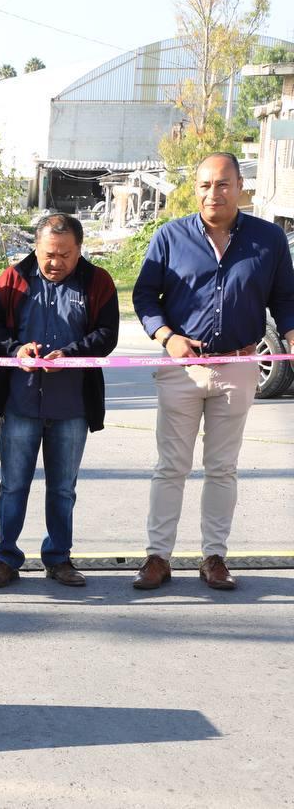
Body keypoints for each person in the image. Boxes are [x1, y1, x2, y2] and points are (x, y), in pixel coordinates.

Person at [131, 152, 294, 591]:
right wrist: (168, 337)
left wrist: (292, 332)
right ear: (195, 189)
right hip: (181, 370)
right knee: (171, 467)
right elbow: (145, 296)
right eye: (204, 185)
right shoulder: (170, 237)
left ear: (241, 186)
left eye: (223, 184)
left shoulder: (268, 240)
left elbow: (284, 297)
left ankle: (214, 557)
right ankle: (157, 557)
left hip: (238, 367)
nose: (213, 193)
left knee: (222, 468)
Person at [0, 214, 119, 589]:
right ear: (35, 248)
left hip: (71, 405)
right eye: (48, 254)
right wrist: (14, 349)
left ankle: (59, 558)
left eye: (65, 255)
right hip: (20, 403)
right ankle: (6, 557)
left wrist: (70, 354)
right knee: (13, 485)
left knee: (62, 488)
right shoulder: (13, 278)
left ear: (79, 250)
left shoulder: (98, 281)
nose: (55, 262)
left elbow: (107, 334)